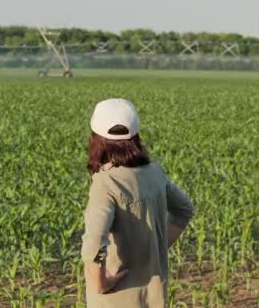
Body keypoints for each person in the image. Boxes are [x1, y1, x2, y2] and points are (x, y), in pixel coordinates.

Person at [81, 98, 194, 307]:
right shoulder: (155, 173)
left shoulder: (106, 182)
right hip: (154, 295)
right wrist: (156, 248)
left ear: (95, 138)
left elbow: (95, 242)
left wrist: (102, 283)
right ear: (135, 136)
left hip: (116, 299)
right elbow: (184, 210)